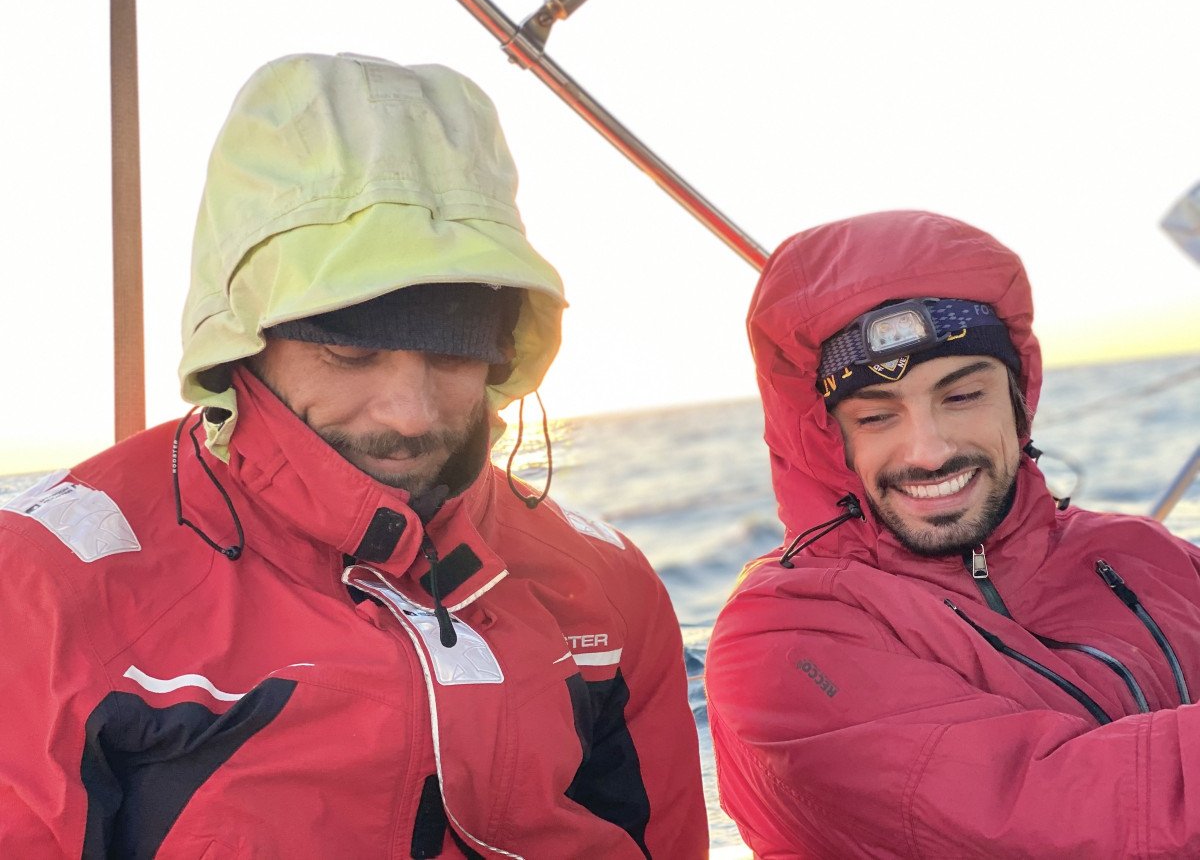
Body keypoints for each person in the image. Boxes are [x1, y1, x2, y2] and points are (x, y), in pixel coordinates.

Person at [0, 53, 707, 857]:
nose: (410, 414)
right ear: (243, 343)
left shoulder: (605, 584)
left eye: (454, 354)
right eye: (350, 354)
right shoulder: (43, 590)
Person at [706, 209, 1200, 857]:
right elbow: (1050, 816)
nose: (930, 451)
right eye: (876, 416)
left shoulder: (1146, 554)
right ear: (827, 440)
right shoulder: (781, 638)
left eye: (962, 396)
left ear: (1018, 396)